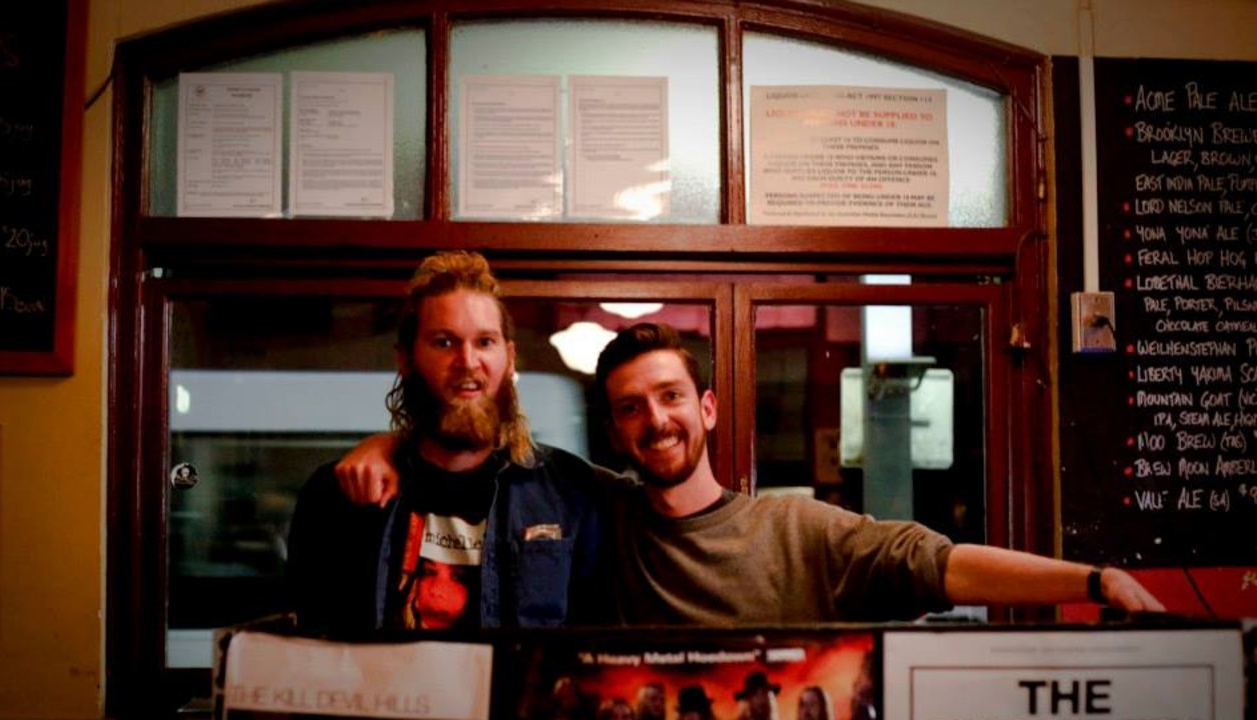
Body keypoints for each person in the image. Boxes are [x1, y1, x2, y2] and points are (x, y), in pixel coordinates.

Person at [336, 321, 1166, 624]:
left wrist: (1090, 580)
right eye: (630, 407)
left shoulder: (796, 531)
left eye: (668, 398)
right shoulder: (597, 508)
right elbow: (473, 444)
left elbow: (938, 563)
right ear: (616, 430)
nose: (653, 420)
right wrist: (389, 446)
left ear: (708, 409)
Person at [285, 250, 609, 635]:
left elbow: (593, 648)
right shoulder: (338, 494)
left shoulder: (569, 492)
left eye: (485, 342)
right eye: (444, 342)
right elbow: (309, 653)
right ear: (406, 359)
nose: (467, 361)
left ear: (509, 357)